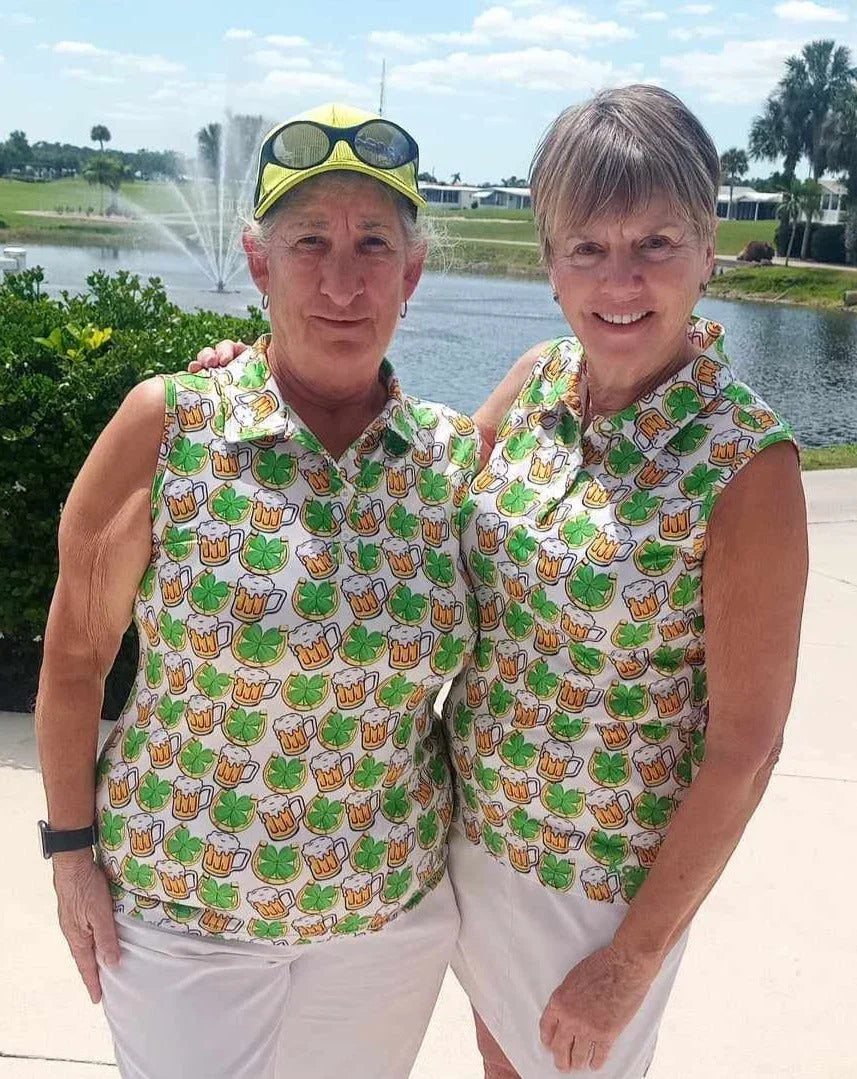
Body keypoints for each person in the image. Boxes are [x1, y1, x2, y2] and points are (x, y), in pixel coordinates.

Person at [194, 86, 808, 1079]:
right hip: (466, 835)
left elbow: (746, 746)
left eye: (653, 242)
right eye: (586, 247)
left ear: (707, 250)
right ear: (549, 259)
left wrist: (628, 960)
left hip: (597, 885)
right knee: (496, 1056)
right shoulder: (531, 384)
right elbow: (402, 486)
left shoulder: (746, 464)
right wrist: (259, 378)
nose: (619, 279)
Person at [35, 102, 481, 1079]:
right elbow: (74, 657)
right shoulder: (171, 423)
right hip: (182, 911)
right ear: (257, 261)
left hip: (386, 921)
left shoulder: (451, 460)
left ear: (410, 273)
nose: (339, 280)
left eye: (372, 244)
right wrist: (70, 852)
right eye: (307, 241)